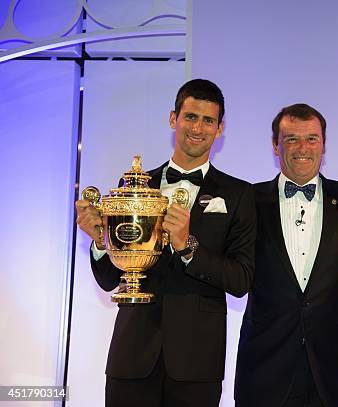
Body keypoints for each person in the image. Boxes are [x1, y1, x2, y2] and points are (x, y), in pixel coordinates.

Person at [75, 79, 256, 407]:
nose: (198, 128)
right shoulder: (132, 187)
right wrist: (100, 240)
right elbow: (107, 280)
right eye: (190, 117)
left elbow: (241, 279)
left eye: (208, 120)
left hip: (196, 362)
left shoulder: (239, 194)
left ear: (220, 128)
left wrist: (188, 246)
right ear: (173, 119)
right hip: (131, 355)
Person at [235, 104, 338, 407]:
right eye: (291, 139)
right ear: (275, 145)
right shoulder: (248, 200)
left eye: (312, 139)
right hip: (264, 371)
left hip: (335, 371)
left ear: (324, 144)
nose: (302, 148)